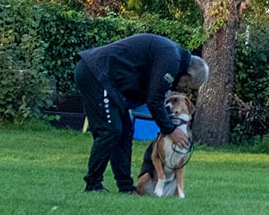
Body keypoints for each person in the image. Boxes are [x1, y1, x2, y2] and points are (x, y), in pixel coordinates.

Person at [74, 33, 208, 194]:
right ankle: (93, 184)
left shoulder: (173, 57)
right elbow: (154, 100)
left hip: (111, 84)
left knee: (125, 131)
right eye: (186, 84)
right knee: (110, 130)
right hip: (96, 73)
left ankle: (125, 187)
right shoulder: (171, 59)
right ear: (189, 74)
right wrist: (171, 130)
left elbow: (153, 92)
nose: (182, 87)